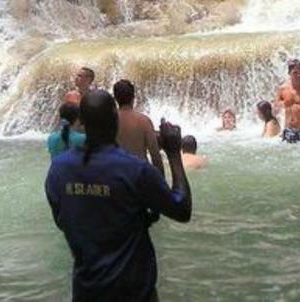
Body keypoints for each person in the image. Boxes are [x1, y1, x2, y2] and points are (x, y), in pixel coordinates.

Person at [45, 91, 192, 302]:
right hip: (134, 292)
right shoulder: (135, 169)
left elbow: (62, 220)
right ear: (115, 120)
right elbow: (182, 209)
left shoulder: (59, 169)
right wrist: (173, 153)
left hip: (87, 290)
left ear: (82, 122)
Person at [113, 79, 164, 177]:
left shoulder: (109, 120)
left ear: (115, 98)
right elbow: (155, 155)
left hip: (116, 173)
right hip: (139, 174)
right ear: (133, 97)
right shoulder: (144, 121)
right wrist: (161, 183)